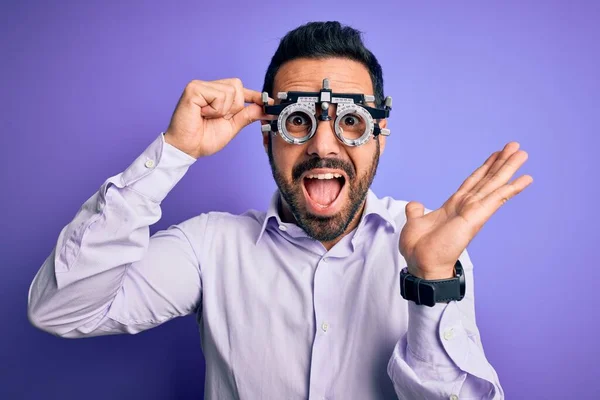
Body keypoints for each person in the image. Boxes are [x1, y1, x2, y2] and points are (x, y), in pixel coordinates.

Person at [27, 21, 532, 399]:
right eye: (299, 119)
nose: (323, 145)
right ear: (268, 134)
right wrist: (173, 153)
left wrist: (431, 280)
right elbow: (61, 308)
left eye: (351, 122)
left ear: (379, 135)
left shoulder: (431, 249)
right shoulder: (210, 247)